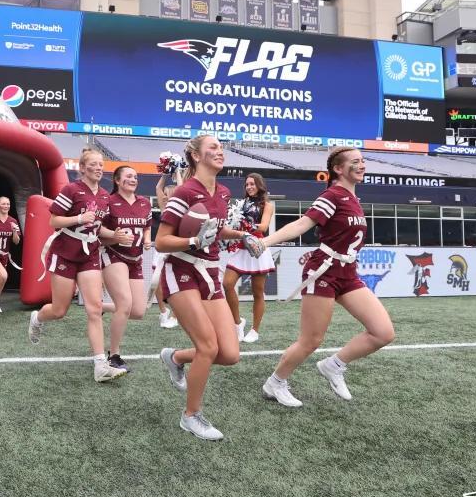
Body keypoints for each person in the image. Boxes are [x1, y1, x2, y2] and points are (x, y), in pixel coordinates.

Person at [259, 146, 395, 408]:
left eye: (363, 160)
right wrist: (266, 242)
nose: (362, 165)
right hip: (324, 270)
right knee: (311, 339)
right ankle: (275, 383)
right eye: (355, 161)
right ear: (338, 169)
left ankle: (334, 365)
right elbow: (301, 224)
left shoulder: (352, 198)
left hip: (348, 272)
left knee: (383, 332)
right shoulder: (333, 195)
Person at [155, 135, 264, 440]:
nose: (219, 151)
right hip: (181, 271)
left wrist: (241, 236)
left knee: (230, 354)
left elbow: (214, 231)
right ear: (195, 155)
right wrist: (192, 241)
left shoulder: (225, 192)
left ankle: (175, 357)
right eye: (213, 147)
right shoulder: (184, 192)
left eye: (220, 147)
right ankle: (191, 416)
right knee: (208, 346)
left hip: (209, 273)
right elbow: (161, 241)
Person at [28, 147, 127, 383]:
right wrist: (79, 218)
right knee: (59, 310)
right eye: (93, 163)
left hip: (90, 253)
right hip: (65, 253)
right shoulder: (71, 189)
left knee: (94, 309)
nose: (98, 167)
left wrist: (115, 235)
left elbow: (97, 228)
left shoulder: (104, 196)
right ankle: (37, 319)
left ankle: (100, 365)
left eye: (101, 164)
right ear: (82, 168)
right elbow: (53, 220)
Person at [99, 165, 152, 372]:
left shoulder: (144, 202)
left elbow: (146, 226)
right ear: (117, 180)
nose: (133, 179)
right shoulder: (108, 202)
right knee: (125, 304)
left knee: (138, 311)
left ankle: (101, 307)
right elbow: (97, 227)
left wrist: (147, 240)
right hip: (113, 254)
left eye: (135, 176)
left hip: (136, 258)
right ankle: (114, 355)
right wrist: (114, 235)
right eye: (128, 176)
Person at [223, 173, 275, 343]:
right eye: (247, 185)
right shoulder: (241, 204)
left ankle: (255, 330)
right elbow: (232, 223)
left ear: (259, 185)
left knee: (257, 292)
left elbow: (265, 226)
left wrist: (247, 226)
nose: (249, 187)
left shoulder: (267, 205)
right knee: (227, 284)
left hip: (257, 248)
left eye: (252, 184)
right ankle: (238, 323)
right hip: (240, 247)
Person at [153, 170, 182, 329]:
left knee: (175, 283)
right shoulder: (164, 207)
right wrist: (166, 172)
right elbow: (158, 187)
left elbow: (181, 186)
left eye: (167, 193)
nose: (164, 196)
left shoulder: (180, 209)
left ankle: (175, 315)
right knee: (156, 281)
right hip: (161, 249)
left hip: (175, 249)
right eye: (164, 194)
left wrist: (178, 172)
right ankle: (163, 311)